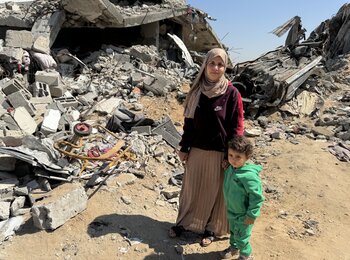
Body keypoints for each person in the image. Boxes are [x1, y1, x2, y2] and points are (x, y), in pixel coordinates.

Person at [168, 48, 244, 247]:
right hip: (197, 150)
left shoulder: (231, 93)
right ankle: (184, 223)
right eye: (212, 63)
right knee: (191, 189)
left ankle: (211, 229)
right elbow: (189, 124)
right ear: (205, 64)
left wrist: (233, 155)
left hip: (221, 153)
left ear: (225, 67)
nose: (216, 68)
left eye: (220, 64)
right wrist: (184, 147)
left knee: (216, 192)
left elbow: (237, 126)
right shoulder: (196, 91)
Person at [220, 136, 264, 260]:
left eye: (238, 157)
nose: (233, 160)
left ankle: (246, 255)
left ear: (247, 157)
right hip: (232, 210)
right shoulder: (232, 168)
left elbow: (257, 197)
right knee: (233, 232)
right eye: (231, 155)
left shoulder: (249, 176)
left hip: (244, 214)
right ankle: (234, 248)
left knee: (242, 236)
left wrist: (252, 215)